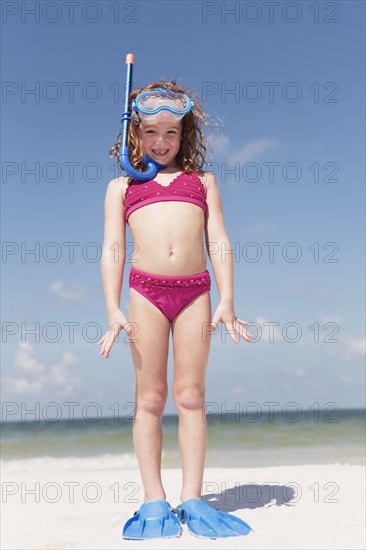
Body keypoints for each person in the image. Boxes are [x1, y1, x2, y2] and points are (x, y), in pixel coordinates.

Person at [98, 82, 253, 540]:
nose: (161, 141)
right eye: (151, 131)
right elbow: (112, 248)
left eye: (171, 131)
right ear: (134, 133)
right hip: (145, 292)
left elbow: (219, 240)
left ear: (186, 133)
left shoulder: (202, 181)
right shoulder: (122, 186)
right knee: (149, 398)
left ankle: (192, 497)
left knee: (191, 397)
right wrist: (112, 308)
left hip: (195, 292)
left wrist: (227, 298)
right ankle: (153, 498)